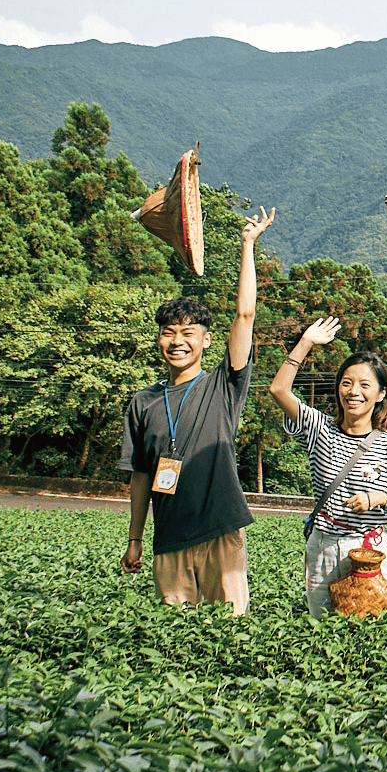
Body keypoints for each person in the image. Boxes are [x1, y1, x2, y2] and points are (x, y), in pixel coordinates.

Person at [119, 208, 273, 613]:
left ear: (206, 340)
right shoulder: (143, 402)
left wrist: (247, 245)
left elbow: (245, 315)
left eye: (188, 333)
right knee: (176, 633)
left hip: (221, 531)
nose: (177, 342)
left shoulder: (223, 385)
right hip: (169, 538)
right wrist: (135, 539)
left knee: (229, 630)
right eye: (168, 333)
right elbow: (140, 477)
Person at [267, 316, 387, 618]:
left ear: (381, 394)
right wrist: (306, 342)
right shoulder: (319, 429)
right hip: (324, 547)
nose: (354, 392)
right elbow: (278, 389)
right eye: (347, 383)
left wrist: (380, 498)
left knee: (376, 630)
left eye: (365, 385)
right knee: (322, 627)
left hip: (371, 551)